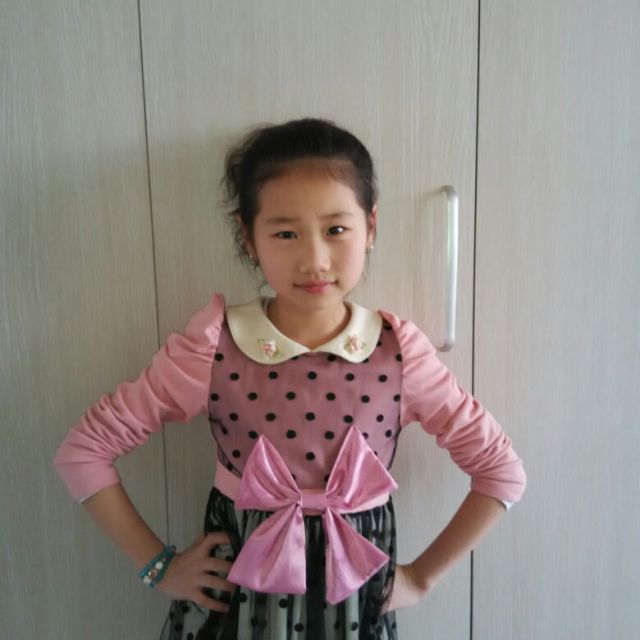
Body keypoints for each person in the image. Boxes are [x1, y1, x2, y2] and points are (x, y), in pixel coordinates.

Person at [53, 117, 526, 640]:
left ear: (371, 227)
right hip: (236, 617)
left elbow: (501, 473)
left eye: (336, 229)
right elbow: (84, 452)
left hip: (355, 617)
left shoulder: (397, 355)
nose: (314, 260)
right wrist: (158, 567)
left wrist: (421, 578)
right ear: (249, 238)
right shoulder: (214, 348)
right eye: (285, 233)